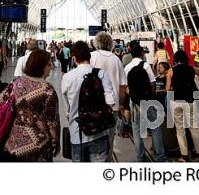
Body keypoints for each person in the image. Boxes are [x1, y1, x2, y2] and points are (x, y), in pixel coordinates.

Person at [0, 49, 60, 162]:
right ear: (42, 66)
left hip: (14, 143)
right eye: (49, 64)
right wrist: (56, 142)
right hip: (39, 147)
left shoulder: (17, 82)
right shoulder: (48, 90)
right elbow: (52, 122)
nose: (51, 67)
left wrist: (17, 110)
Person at [62, 40, 115, 162]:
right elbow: (110, 102)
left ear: (73, 58)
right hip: (99, 133)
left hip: (77, 134)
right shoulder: (101, 74)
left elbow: (68, 110)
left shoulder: (67, 77)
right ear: (89, 56)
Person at [90, 31, 127, 161]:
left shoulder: (91, 56)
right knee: (109, 141)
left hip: (93, 106)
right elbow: (123, 86)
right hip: (113, 107)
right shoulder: (116, 59)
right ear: (111, 44)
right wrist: (122, 105)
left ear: (96, 43)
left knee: (93, 139)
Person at [126, 45, 166, 162]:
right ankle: (160, 157)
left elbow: (125, 86)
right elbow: (153, 83)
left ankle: (140, 157)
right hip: (147, 100)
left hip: (134, 102)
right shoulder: (146, 66)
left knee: (137, 130)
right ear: (142, 54)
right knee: (155, 128)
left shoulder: (127, 67)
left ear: (131, 54)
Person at [166, 49, 199, 162]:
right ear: (185, 59)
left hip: (177, 102)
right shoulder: (191, 69)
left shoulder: (171, 71)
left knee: (180, 130)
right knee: (194, 128)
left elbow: (168, 89)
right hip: (191, 101)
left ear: (175, 60)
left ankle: (184, 156)